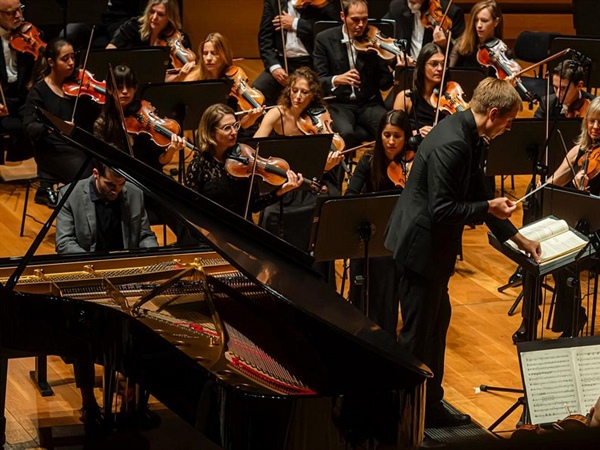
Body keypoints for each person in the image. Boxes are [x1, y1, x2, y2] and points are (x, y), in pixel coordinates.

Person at [384, 77, 542, 428]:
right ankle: (403, 416)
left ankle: (430, 403)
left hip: (432, 250)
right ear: (495, 113)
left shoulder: (472, 136)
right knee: (416, 335)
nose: (509, 129)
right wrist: (487, 205)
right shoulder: (453, 143)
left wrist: (518, 238)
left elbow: (478, 192)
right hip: (419, 249)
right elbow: (443, 209)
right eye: (509, 122)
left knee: (437, 324)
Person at [55, 160, 158, 432]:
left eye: (121, 186)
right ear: (96, 174)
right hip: (88, 278)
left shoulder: (133, 194)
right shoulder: (71, 194)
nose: (116, 191)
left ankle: (133, 398)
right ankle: (89, 403)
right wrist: (98, 267)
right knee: (84, 333)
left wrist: (151, 255)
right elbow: (64, 244)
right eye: (110, 185)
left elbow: (145, 235)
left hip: (126, 279)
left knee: (144, 326)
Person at [513, 97, 600, 343]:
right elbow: (552, 184)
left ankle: (573, 319)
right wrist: (542, 186)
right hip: (578, 228)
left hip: (597, 235)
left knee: (566, 263)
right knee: (536, 255)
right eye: (591, 121)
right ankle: (530, 320)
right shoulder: (580, 151)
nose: (595, 127)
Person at [254, 66, 343, 251]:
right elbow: (255, 147)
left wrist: (329, 164)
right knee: (271, 213)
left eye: (304, 92)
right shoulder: (277, 113)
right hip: (283, 182)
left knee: (325, 206)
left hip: (311, 182)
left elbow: (327, 155)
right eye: (294, 90)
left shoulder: (319, 116)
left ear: (313, 95)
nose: (298, 96)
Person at [346, 109, 412, 336]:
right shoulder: (369, 160)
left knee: (388, 280)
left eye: (397, 136)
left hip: (397, 238)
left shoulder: (413, 163)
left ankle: (385, 332)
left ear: (406, 137)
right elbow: (350, 195)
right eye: (386, 135)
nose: (391, 142)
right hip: (370, 235)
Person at [185, 103, 304, 219]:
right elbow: (189, 208)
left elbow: (254, 205)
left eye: (235, 125)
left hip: (242, 229)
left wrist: (282, 190)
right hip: (212, 230)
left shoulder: (245, 159)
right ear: (211, 132)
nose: (234, 132)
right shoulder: (199, 165)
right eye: (227, 128)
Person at [23, 38, 99, 208]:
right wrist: (53, 127)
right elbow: (29, 127)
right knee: (88, 178)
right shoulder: (39, 92)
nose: (72, 63)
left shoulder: (80, 85)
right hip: (53, 150)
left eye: (73, 57)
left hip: (81, 145)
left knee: (110, 171)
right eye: (65, 59)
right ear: (51, 62)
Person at [313, 0, 393, 150]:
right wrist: (337, 79)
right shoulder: (324, 39)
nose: (361, 25)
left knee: (390, 129)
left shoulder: (374, 39)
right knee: (345, 133)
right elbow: (317, 81)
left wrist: (395, 69)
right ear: (343, 16)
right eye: (355, 20)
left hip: (368, 103)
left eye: (365, 19)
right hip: (339, 103)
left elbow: (385, 84)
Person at [253, 0, 339, 106]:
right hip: (283, 62)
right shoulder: (274, 2)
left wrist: (296, 23)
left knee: (316, 92)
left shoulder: (317, 3)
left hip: (312, 62)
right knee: (258, 90)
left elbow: (331, 27)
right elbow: (265, 38)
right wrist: (274, 67)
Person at [107, 0, 196, 82]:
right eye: (152, 12)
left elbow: (165, 79)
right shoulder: (134, 26)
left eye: (160, 14)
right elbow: (110, 50)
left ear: (170, 17)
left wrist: (179, 76)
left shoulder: (181, 39)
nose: (154, 17)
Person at [191, 32, 264, 130]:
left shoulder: (234, 77)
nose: (208, 58)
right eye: (205, 53)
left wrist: (251, 118)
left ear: (224, 55)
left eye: (214, 53)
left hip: (234, 132)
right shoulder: (196, 80)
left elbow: (241, 126)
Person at [0, 0, 35, 163]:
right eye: (10, 13)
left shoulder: (30, 34)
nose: (18, 16)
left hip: (22, 97)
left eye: (19, 9)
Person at [393, 42, 448, 139]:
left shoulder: (448, 99)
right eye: (434, 64)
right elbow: (394, 132)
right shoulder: (405, 98)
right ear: (422, 67)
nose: (440, 68)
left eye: (443, 64)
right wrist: (415, 133)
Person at [385, 0, 465, 64]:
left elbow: (460, 55)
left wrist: (444, 45)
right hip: (407, 70)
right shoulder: (397, 7)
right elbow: (382, 31)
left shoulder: (451, 12)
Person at [449, 0, 502, 69]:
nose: (479, 25)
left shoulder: (503, 52)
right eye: (476, 20)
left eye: (484, 20)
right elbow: (448, 75)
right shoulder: (460, 47)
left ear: (496, 22)